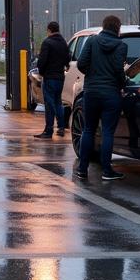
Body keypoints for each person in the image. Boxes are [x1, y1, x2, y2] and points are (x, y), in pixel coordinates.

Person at [76, 14, 127, 180]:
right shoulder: (121, 46)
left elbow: (81, 63)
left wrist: (91, 75)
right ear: (117, 28)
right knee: (107, 132)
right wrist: (122, 84)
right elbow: (119, 70)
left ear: (103, 26)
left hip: (91, 92)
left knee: (88, 129)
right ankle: (106, 170)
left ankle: (82, 169)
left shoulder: (91, 41)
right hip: (111, 93)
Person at [34, 20, 70, 138]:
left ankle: (48, 130)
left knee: (49, 104)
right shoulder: (63, 43)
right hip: (60, 77)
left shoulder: (47, 42)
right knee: (58, 102)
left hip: (49, 77)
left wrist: (42, 73)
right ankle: (61, 127)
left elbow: (42, 61)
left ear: (49, 30)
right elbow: (67, 59)